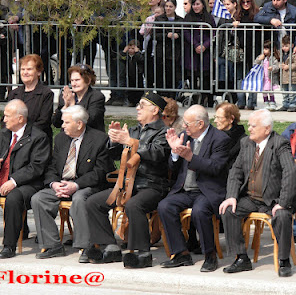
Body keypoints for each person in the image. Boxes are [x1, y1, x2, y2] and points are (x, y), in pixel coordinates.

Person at [86, 92, 170, 268]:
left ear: (155, 110)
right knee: (93, 202)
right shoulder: (133, 130)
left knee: (134, 204)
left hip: (152, 185)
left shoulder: (164, 132)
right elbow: (115, 154)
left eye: (142, 105)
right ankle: (109, 246)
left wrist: (130, 141)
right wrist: (114, 140)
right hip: (127, 185)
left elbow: (156, 153)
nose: (137, 109)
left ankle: (143, 253)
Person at [31, 105, 114, 262]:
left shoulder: (99, 139)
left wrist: (75, 186)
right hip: (62, 184)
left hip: (86, 186)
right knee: (39, 198)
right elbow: (52, 167)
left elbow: (99, 172)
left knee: (79, 199)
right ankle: (52, 245)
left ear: (79, 123)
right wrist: (54, 184)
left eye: (66, 122)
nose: (62, 126)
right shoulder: (61, 138)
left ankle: (86, 246)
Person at [219, 109, 296, 277]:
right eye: (249, 124)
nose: (249, 128)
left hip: (274, 199)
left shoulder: (279, 143)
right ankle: (241, 258)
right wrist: (231, 196)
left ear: (266, 129)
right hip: (252, 198)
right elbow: (236, 171)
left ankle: (284, 260)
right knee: (228, 210)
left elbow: (290, 172)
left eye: (254, 125)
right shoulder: (246, 142)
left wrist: (283, 202)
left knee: (282, 216)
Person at [158, 105, 230, 272]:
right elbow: (173, 168)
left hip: (207, 190)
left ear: (200, 124)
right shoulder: (184, 136)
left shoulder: (220, 139)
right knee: (165, 206)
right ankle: (181, 253)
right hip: (185, 190)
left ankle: (210, 255)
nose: (184, 126)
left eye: (187, 123)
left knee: (199, 211)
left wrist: (191, 157)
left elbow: (215, 167)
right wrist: (175, 152)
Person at [0, 99, 50, 258]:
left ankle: (9, 246)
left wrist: (14, 181)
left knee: (13, 198)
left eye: (7, 116)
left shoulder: (38, 137)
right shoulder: (3, 133)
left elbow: (36, 166)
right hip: (0, 180)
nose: (4, 120)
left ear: (20, 118)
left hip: (26, 184)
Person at [7, 54, 54, 142]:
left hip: (37, 141)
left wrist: (22, 133)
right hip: (14, 139)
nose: (25, 72)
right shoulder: (14, 94)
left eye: (29, 69)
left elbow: (43, 121)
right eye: (23, 69)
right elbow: (5, 119)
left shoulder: (46, 94)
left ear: (39, 72)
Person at [52, 63, 105, 132]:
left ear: (88, 80)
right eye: (72, 80)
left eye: (77, 80)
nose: (74, 84)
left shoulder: (96, 97)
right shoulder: (66, 96)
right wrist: (65, 106)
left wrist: (72, 106)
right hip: (68, 138)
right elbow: (56, 123)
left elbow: (91, 121)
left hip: (90, 137)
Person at [184, 0, 216, 107]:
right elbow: (186, 32)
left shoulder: (209, 17)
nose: (195, 6)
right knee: (193, 75)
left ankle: (205, 99)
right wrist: (196, 45)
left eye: (198, 4)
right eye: (194, 4)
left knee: (206, 76)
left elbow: (213, 33)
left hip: (206, 52)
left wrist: (205, 45)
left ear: (203, 5)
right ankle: (194, 99)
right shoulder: (188, 17)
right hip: (192, 51)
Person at [234, 0, 260, 110]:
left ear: (252, 2)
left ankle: (251, 103)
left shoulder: (257, 14)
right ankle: (241, 101)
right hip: (241, 51)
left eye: (248, 1)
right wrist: (235, 26)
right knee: (240, 77)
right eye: (243, 2)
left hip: (255, 49)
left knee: (254, 77)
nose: (245, 4)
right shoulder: (237, 15)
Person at [155, 0, 183, 99]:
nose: (168, 8)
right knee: (161, 76)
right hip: (161, 52)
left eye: (170, 6)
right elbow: (155, 34)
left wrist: (178, 35)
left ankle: (172, 97)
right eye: (166, 6)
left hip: (175, 53)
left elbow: (185, 34)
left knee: (173, 76)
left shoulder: (180, 20)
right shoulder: (159, 19)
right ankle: (161, 96)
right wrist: (166, 35)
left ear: (175, 7)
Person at [217, 0, 239, 104]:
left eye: (228, 4)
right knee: (224, 75)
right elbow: (219, 34)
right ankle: (227, 97)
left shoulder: (237, 16)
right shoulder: (222, 18)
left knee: (233, 74)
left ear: (234, 4)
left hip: (235, 49)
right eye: (224, 4)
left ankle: (235, 98)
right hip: (223, 50)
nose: (226, 6)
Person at [214, 102, 247, 169]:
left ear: (231, 119)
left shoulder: (242, 141)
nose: (215, 120)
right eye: (215, 117)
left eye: (219, 118)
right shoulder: (214, 136)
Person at [254, 40, 280, 111]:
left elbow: (277, 66)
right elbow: (255, 63)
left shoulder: (273, 58)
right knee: (264, 91)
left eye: (266, 49)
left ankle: (272, 102)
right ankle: (266, 102)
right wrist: (259, 59)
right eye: (264, 49)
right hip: (263, 78)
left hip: (270, 78)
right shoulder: (262, 57)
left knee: (270, 90)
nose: (264, 50)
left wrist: (272, 68)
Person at [121, 39, 144, 107]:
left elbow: (141, 59)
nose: (130, 50)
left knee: (138, 89)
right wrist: (124, 52)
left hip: (137, 74)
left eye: (133, 48)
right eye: (129, 48)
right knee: (130, 89)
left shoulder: (138, 54)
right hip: (129, 74)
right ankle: (131, 101)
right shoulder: (127, 56)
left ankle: (138, 101)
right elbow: (121, 59)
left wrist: (137, 52)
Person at [279, 35, 296, 112]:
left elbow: (295, 64)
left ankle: (293, 104)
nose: (284, 48)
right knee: (284, 91)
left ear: (292, 45)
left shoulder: (293, 54)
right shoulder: (282, 54)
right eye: (283, 46)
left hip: (292, 77)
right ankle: (285, 104)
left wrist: (288, 66)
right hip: (284, 77)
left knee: (292, 92)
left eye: (286, 46)